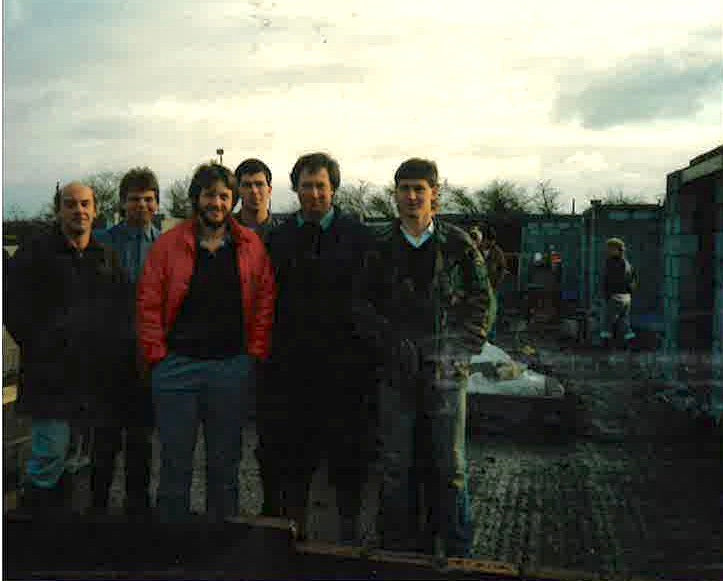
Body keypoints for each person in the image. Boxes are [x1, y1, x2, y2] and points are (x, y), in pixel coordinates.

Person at [359, 158, 493, 560]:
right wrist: (388, 343)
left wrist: (459, 350)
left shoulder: (456, 245)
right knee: (396, 463)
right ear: (394, 194)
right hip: (395, 373)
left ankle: (456, 550)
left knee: (450, 466)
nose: (412, 196)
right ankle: (396, 550)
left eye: (420, 188)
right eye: (404, 188)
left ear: (435, 193)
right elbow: (361, 305)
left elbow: (483, 302)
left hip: (447, 374)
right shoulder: (380, 247)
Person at [137, 163, 275, 523]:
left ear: (233, 201)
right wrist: (158, 357)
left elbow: (264, 302)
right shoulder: (169, 245)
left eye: (224, 196)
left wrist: (253, 356)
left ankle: (220, 545)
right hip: (177, 369)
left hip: (230, 369)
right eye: (210, 195)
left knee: (225, 465)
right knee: (174, 464)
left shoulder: (250, 245)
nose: (216, 202)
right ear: (196, 198)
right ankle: (172, 547)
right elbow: (149, 302)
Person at [261, 152, 377, 543]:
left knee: (347, 456)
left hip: (346, 370)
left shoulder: (359, 237)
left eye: (321, 186)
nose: (314, 194)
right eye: (306, 186)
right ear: (295, 189)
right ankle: (296, 535)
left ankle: (346, 536)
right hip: (291, 370)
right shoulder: (278, 239)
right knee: (294, 458)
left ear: (334, 189)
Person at [5, 182, 135, 516]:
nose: (79, 210)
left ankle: (67, 534)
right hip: (50, 379)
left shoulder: (106, 257)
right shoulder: (35, 254)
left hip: (94, 380)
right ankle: (31, 531)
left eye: (85, 204)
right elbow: (13, 308)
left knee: (81, 459)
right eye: (70, 204)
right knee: (50, 455)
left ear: (96, 210)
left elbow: (123, 310)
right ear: (58, 210)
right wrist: (41, 345)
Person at [91, 167, 161, 516]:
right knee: (103, 438)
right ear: (122, 203)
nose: (142, 205)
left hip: (147, 357)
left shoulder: (165, 245)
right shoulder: (100, 242)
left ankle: (137, 506)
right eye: (134, 199)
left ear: (157, 203)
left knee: (140, 439)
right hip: (107, 357)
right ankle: (97, 507)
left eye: (149, 199)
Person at [600, 237, 637, 349]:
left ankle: (605, 346)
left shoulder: (612, 263)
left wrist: (607, 295)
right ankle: (631, 343)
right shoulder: (626, 263)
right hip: (626, 297)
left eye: (611, 248)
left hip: (616, 295)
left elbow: (609, 280)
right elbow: (633, 280)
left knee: (607, 321)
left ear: (618, 249)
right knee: (624, 322)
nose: (609, 250)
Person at [233, 158, 283, 242]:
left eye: (259, 184)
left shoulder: (285, 233)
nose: (254, 191)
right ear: (238, 191)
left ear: (269, 190)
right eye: (247, 185)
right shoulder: (225, 232)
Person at [471, 224, 506, 341]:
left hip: (492, 288)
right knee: (477, 315)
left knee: (491, 315)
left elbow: (502, 269)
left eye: (492, 241)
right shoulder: (475, 251)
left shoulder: (497, 252)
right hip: (477, 289)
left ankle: (491, 339)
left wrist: (496, 284)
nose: (490, 243)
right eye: (488, 241)